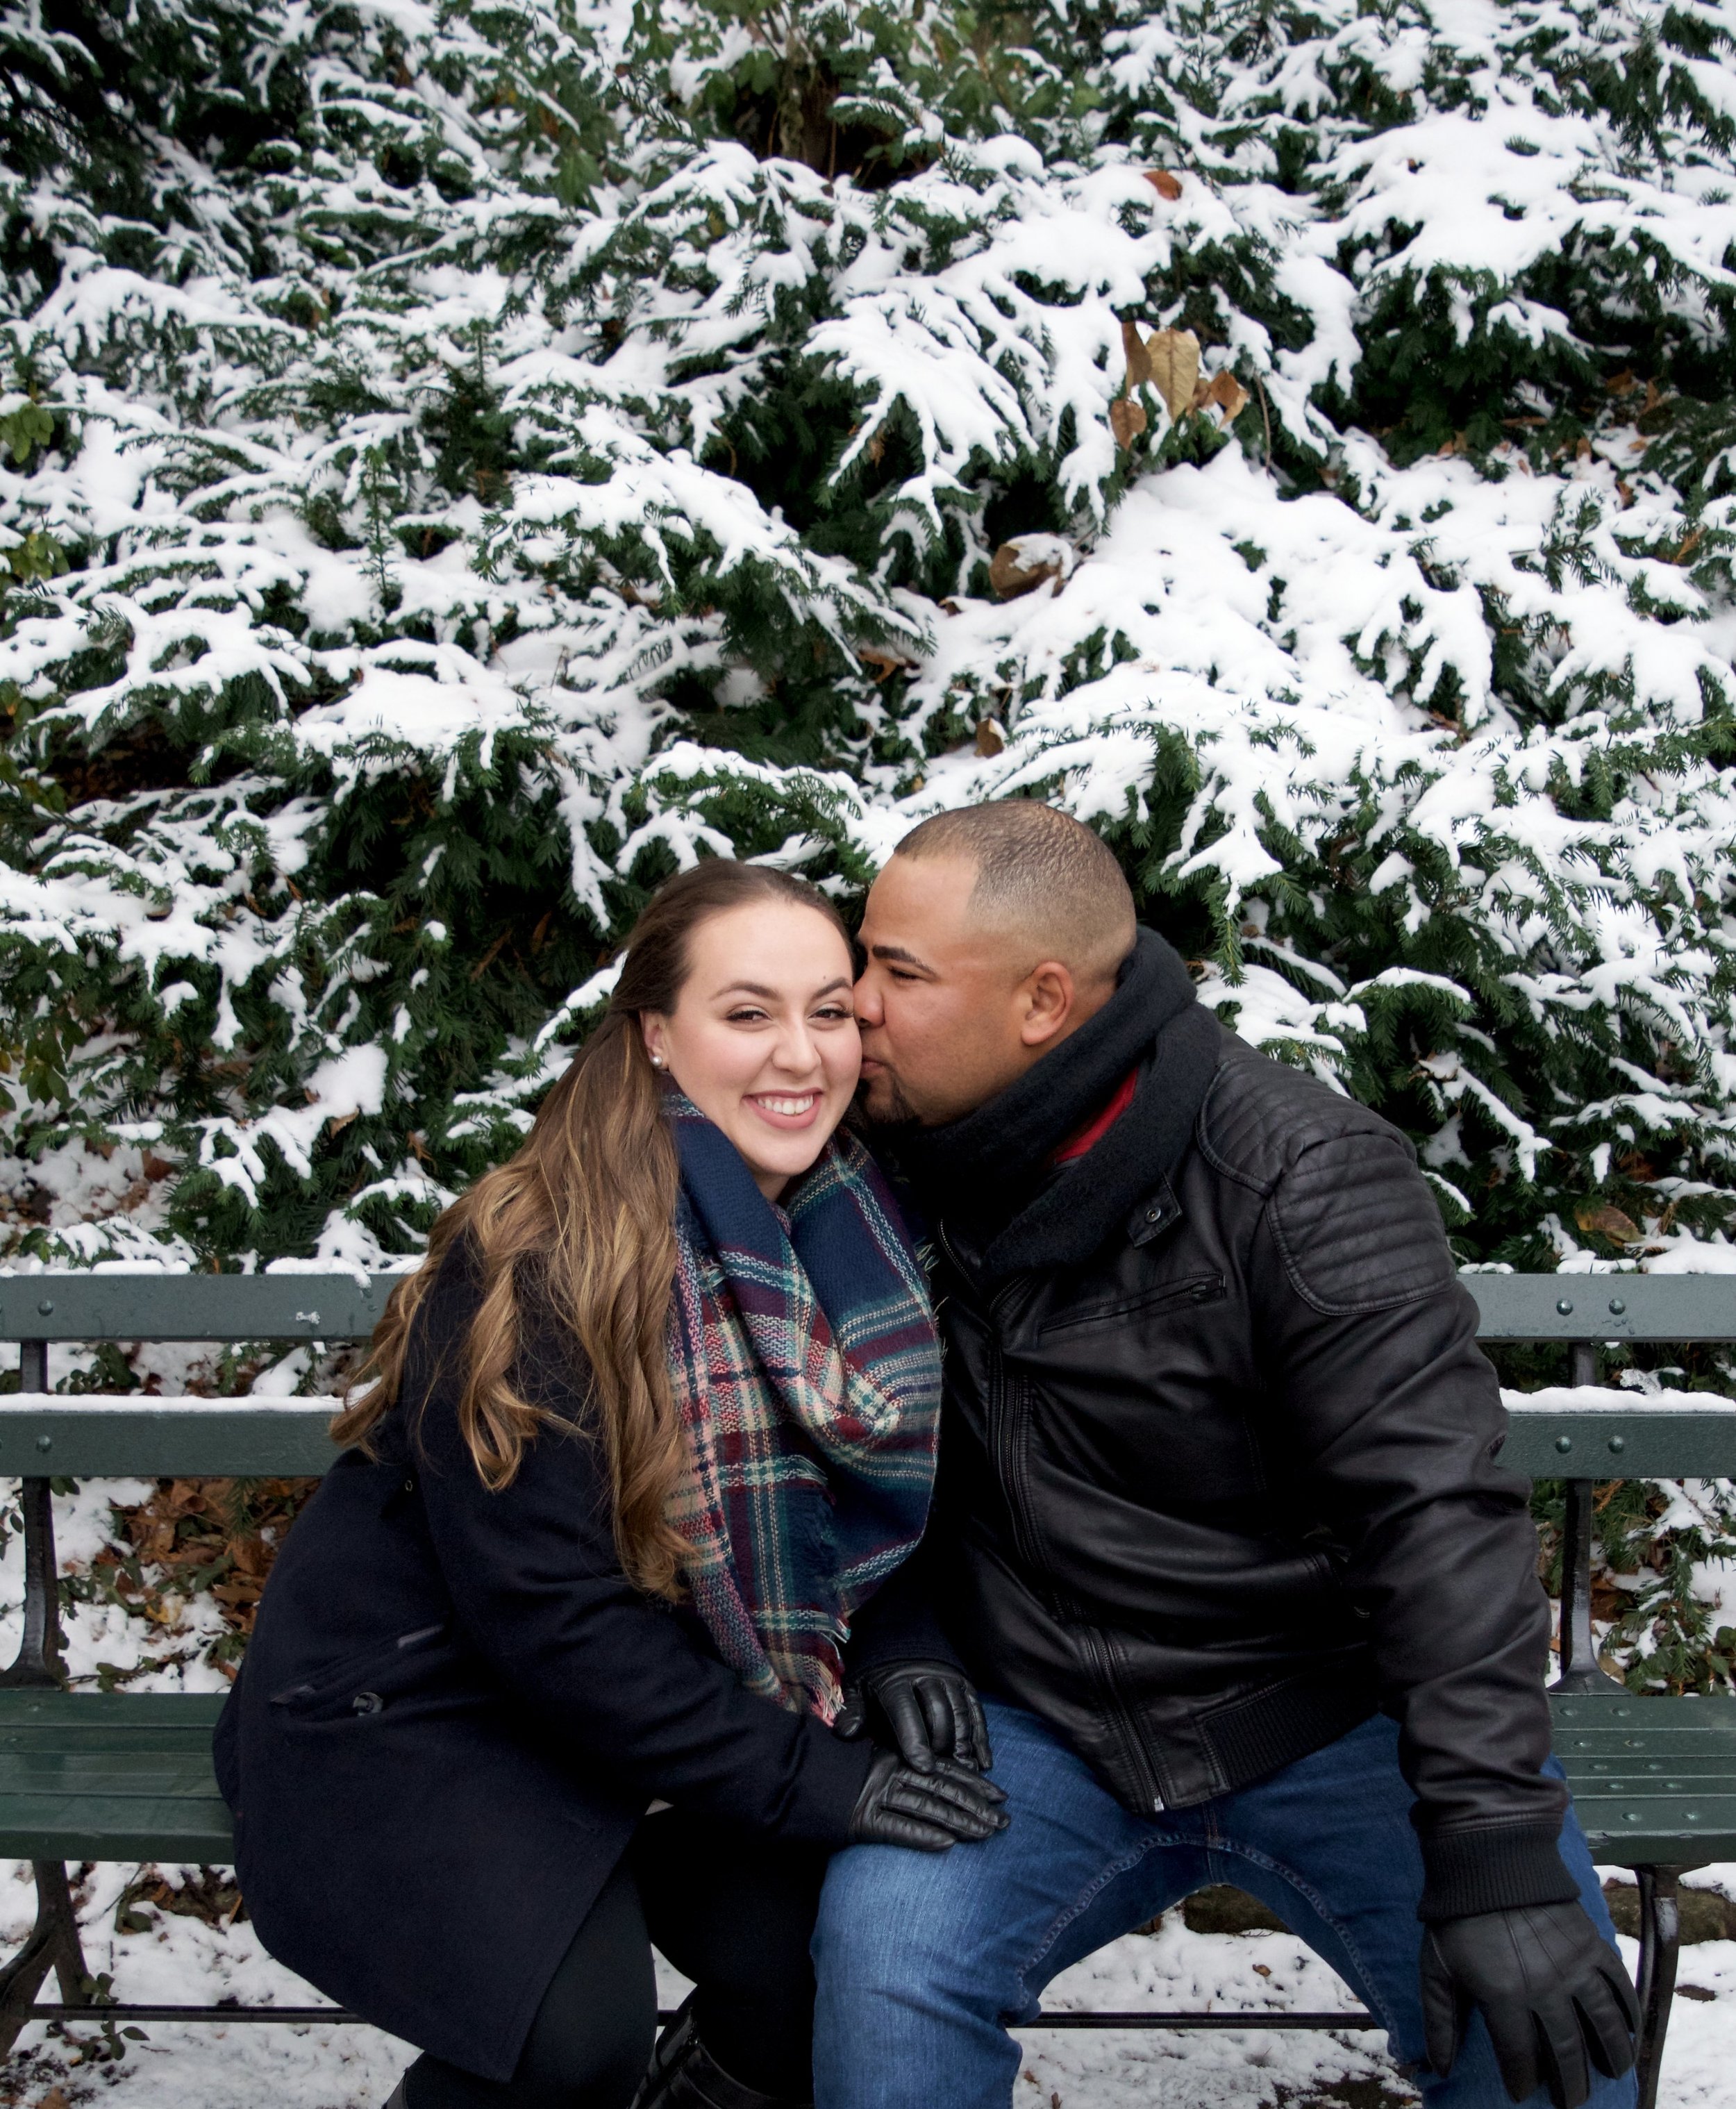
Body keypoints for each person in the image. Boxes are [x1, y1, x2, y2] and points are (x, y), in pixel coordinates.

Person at [812, 801, 1639, 2109]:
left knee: (1552, 2039)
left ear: (1041, 1000)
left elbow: (1437, 1511)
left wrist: (1492, 1841)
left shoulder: (1297, 1173)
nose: (850, 1004)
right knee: (886, 1965)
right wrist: (905, 1637)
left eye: (896, 972)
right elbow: (861, 1468)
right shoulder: (867, 1164)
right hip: (1037, 1717)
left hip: (1322, 1707)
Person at [214, 860, 1005, 2109]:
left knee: (827, 1967)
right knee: (567, 2039)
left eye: (830, 1010)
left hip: (678, 1695)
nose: (800, 1055)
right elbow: (553, 1624)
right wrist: (825, 1781)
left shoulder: (863, 1227)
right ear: (654, 1034)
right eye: (746, 1013)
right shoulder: (542, 1254)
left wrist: (903, 1646)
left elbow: (858, 1519)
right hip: (431, 1693)